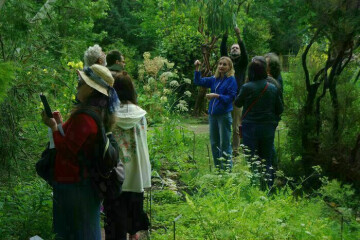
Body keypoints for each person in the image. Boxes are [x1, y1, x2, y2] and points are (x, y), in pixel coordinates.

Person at [41, 64, 119, 239]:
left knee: (78, 233)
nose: (77, 85)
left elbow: (68, 151)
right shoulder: (95, 113)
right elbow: (75, 143)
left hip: (75, 186)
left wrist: (53, 128)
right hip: (82, 184)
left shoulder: (85, 117)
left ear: (91, 90)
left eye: (81, 82)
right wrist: (60, 125)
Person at [104, 71, 151, 240]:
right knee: (133, 210)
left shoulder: (109, 113)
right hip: (136, 171)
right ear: (132, 91)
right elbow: (142, 143)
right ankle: (133, 234)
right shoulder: (140, 114)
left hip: (116, 170)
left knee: (115, 215)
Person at [234, 56, 283, 187]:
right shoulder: (272, 87)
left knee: (252, 159)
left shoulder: (247, 87)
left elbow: (237, 103)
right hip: (267, 127)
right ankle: (268, 186)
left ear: (250, 72)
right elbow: (280, 109)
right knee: (266, 158)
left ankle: (254, 185)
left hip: (250, 127)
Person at [194, 57, 237, 170]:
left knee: (225, 144)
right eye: (220, 64)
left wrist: (216, 96)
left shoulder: (231, 80)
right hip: (213, 116)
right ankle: (218, 169)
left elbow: (231, 97)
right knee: (214, 143)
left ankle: (227, 170)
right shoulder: (214, 79)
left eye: (224, 64)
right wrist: (197, 69)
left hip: (224, 115)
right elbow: (199, 81)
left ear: (229, 67)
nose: (221, 66)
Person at [220, 26, 248, 157]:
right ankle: (225, 148)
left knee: (236, 127)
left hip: (237, 99)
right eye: (232, 48)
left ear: (241, 51)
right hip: (226, 98)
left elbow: (246, 55)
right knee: (225, 124)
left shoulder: (242, 64)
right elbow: (222, 51)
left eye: (237, 48)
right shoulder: (227, 64)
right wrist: (225, 35)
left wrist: (239, 36)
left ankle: (235, 150)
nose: (234, 49)